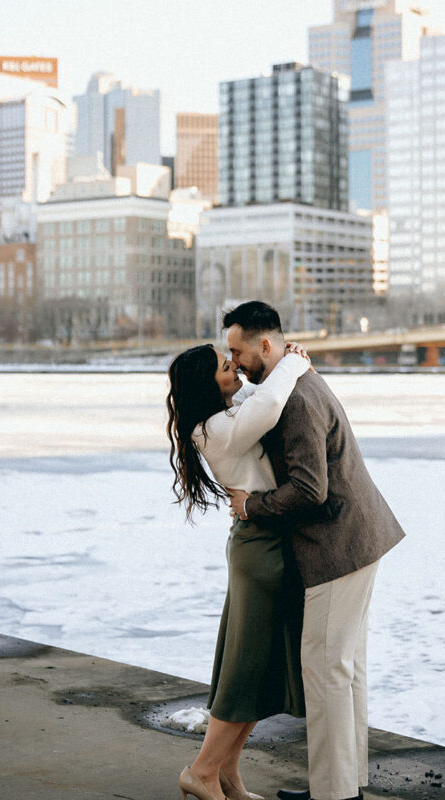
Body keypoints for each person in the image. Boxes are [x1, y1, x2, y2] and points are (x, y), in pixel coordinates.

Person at [225, 301, 405, 800]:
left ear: (266, 344)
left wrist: (250, 506)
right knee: (345, 671)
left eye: (238, 351)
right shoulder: (296, 378)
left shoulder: (297, 398)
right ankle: (345, 785)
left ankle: (333, 794)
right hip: (360, 539)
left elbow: (309, 490)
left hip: (335, 548)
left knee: (326, 671)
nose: (234, 362)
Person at [167, 341, 311, 800]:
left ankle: (226, 772)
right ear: (206, 384)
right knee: (245, 668)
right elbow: (268, 405)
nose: (235, 368)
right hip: (259, 549)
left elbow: (258, 397)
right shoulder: (213, 429)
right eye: (225, 366)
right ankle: (202, 771)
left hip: (264, 543)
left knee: (258, 666)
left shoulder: (224, 418)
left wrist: (282, 364)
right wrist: (294, 363)